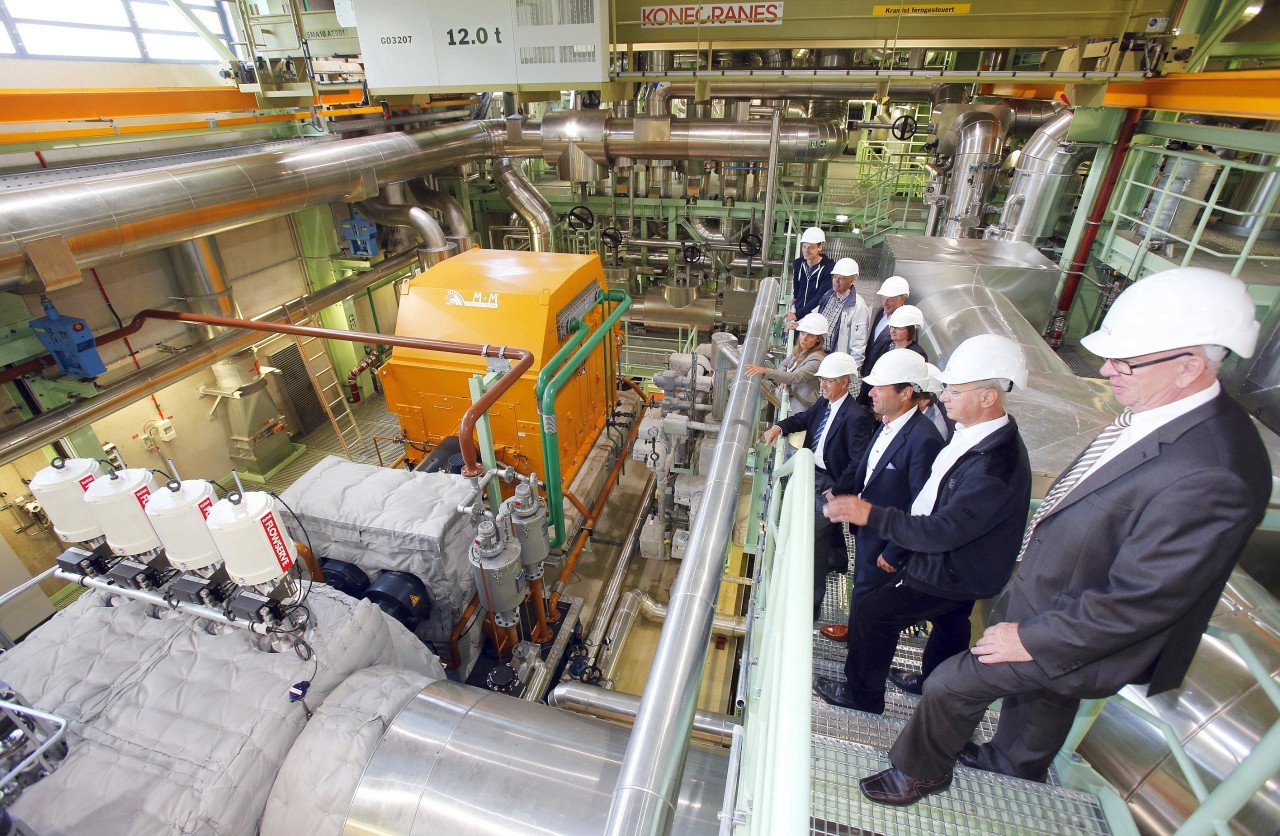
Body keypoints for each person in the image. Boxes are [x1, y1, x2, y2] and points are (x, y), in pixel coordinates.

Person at [855, 267, 1271, 808]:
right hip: (1050, 596)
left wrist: (1031, 639)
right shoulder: (1156, 414)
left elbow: (1143, 600)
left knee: (949, 685)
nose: (1104, 369)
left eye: (1126, 361)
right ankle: (1013, 762)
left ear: (1189, 365)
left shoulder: (1215, 471)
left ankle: (918, 773)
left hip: (1074, 628)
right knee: (1046, 697)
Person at [813, 334, 1032, 717]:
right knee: (951, 621)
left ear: (987, 397)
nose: (943, 397)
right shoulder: (977, 438)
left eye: (954, 390)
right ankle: (933, 679)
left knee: (874, 612)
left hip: (954, 567)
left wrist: (873, 517)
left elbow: (945, 527)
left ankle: (863, 695)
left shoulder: (994, 465)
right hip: (964, 565)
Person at [819, 349, 944, 642]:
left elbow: (921, 505)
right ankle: (856, 635)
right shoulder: (888, 423)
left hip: (887, 543)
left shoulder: (924, 439)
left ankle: (858, 673)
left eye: (879, 388)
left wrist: (895, 551)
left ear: (905, 393)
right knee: (862, 590)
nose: (870, 393)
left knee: (875, 603)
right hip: (869, 532)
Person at [760, 352, 875, 619]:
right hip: (813, 472)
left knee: (810, 540)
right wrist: (779, 427)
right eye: (822, 380)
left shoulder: (855, 416)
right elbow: (803, 420)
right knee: (824, 532)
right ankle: (839, 559)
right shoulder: (825, 404)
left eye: (828, 381)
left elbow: (858, 461)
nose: (822, 385)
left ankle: (810, 606)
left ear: (844, 383)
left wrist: (837, 490)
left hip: (831, 482)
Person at [744, 312, 827, 411]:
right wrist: (784, 379)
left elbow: (796, 377)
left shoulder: (817, 359)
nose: (804, 339)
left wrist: (765, 371)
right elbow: (783, 364)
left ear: (818, 340)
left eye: (810, 336)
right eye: (803, 333)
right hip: (788, 400)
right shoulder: (801, 349)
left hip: (800, 407)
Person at [858, 304, 927, 408]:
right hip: (873, 401)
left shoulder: (917, 354)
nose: (892, 331)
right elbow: (871, 372)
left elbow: (910, 389)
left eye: (898, 328)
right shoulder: (886, 345)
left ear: (911, 330)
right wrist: (862, 400)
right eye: (891, 326)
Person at [810, 257, 872, 370]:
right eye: (835, 277)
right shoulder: (828, 296)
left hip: (836, 362)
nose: (836, 281)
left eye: (841, 278)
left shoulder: (858, 307)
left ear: (853, 279)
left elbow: (858, 345)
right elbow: (817, 318)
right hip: (818, 355)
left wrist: (851, 371)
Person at [863, 275, 910, 381]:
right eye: (883, 298)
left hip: (884, 377)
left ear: (902, 299)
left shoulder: (905, 324)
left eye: (890, 300)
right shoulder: (881, 312)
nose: (885, 303)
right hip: (869, 373)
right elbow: (872, 342)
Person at [790, 227, 834, 318]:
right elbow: (796, 283)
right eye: (804, 247)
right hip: (799, 311)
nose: (806, 251)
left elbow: (820, 296)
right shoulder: (798, 263)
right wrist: (795, 298)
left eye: (810, 248)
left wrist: (798, 315)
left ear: (820, 248)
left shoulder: (828, 268)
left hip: (816, 316)